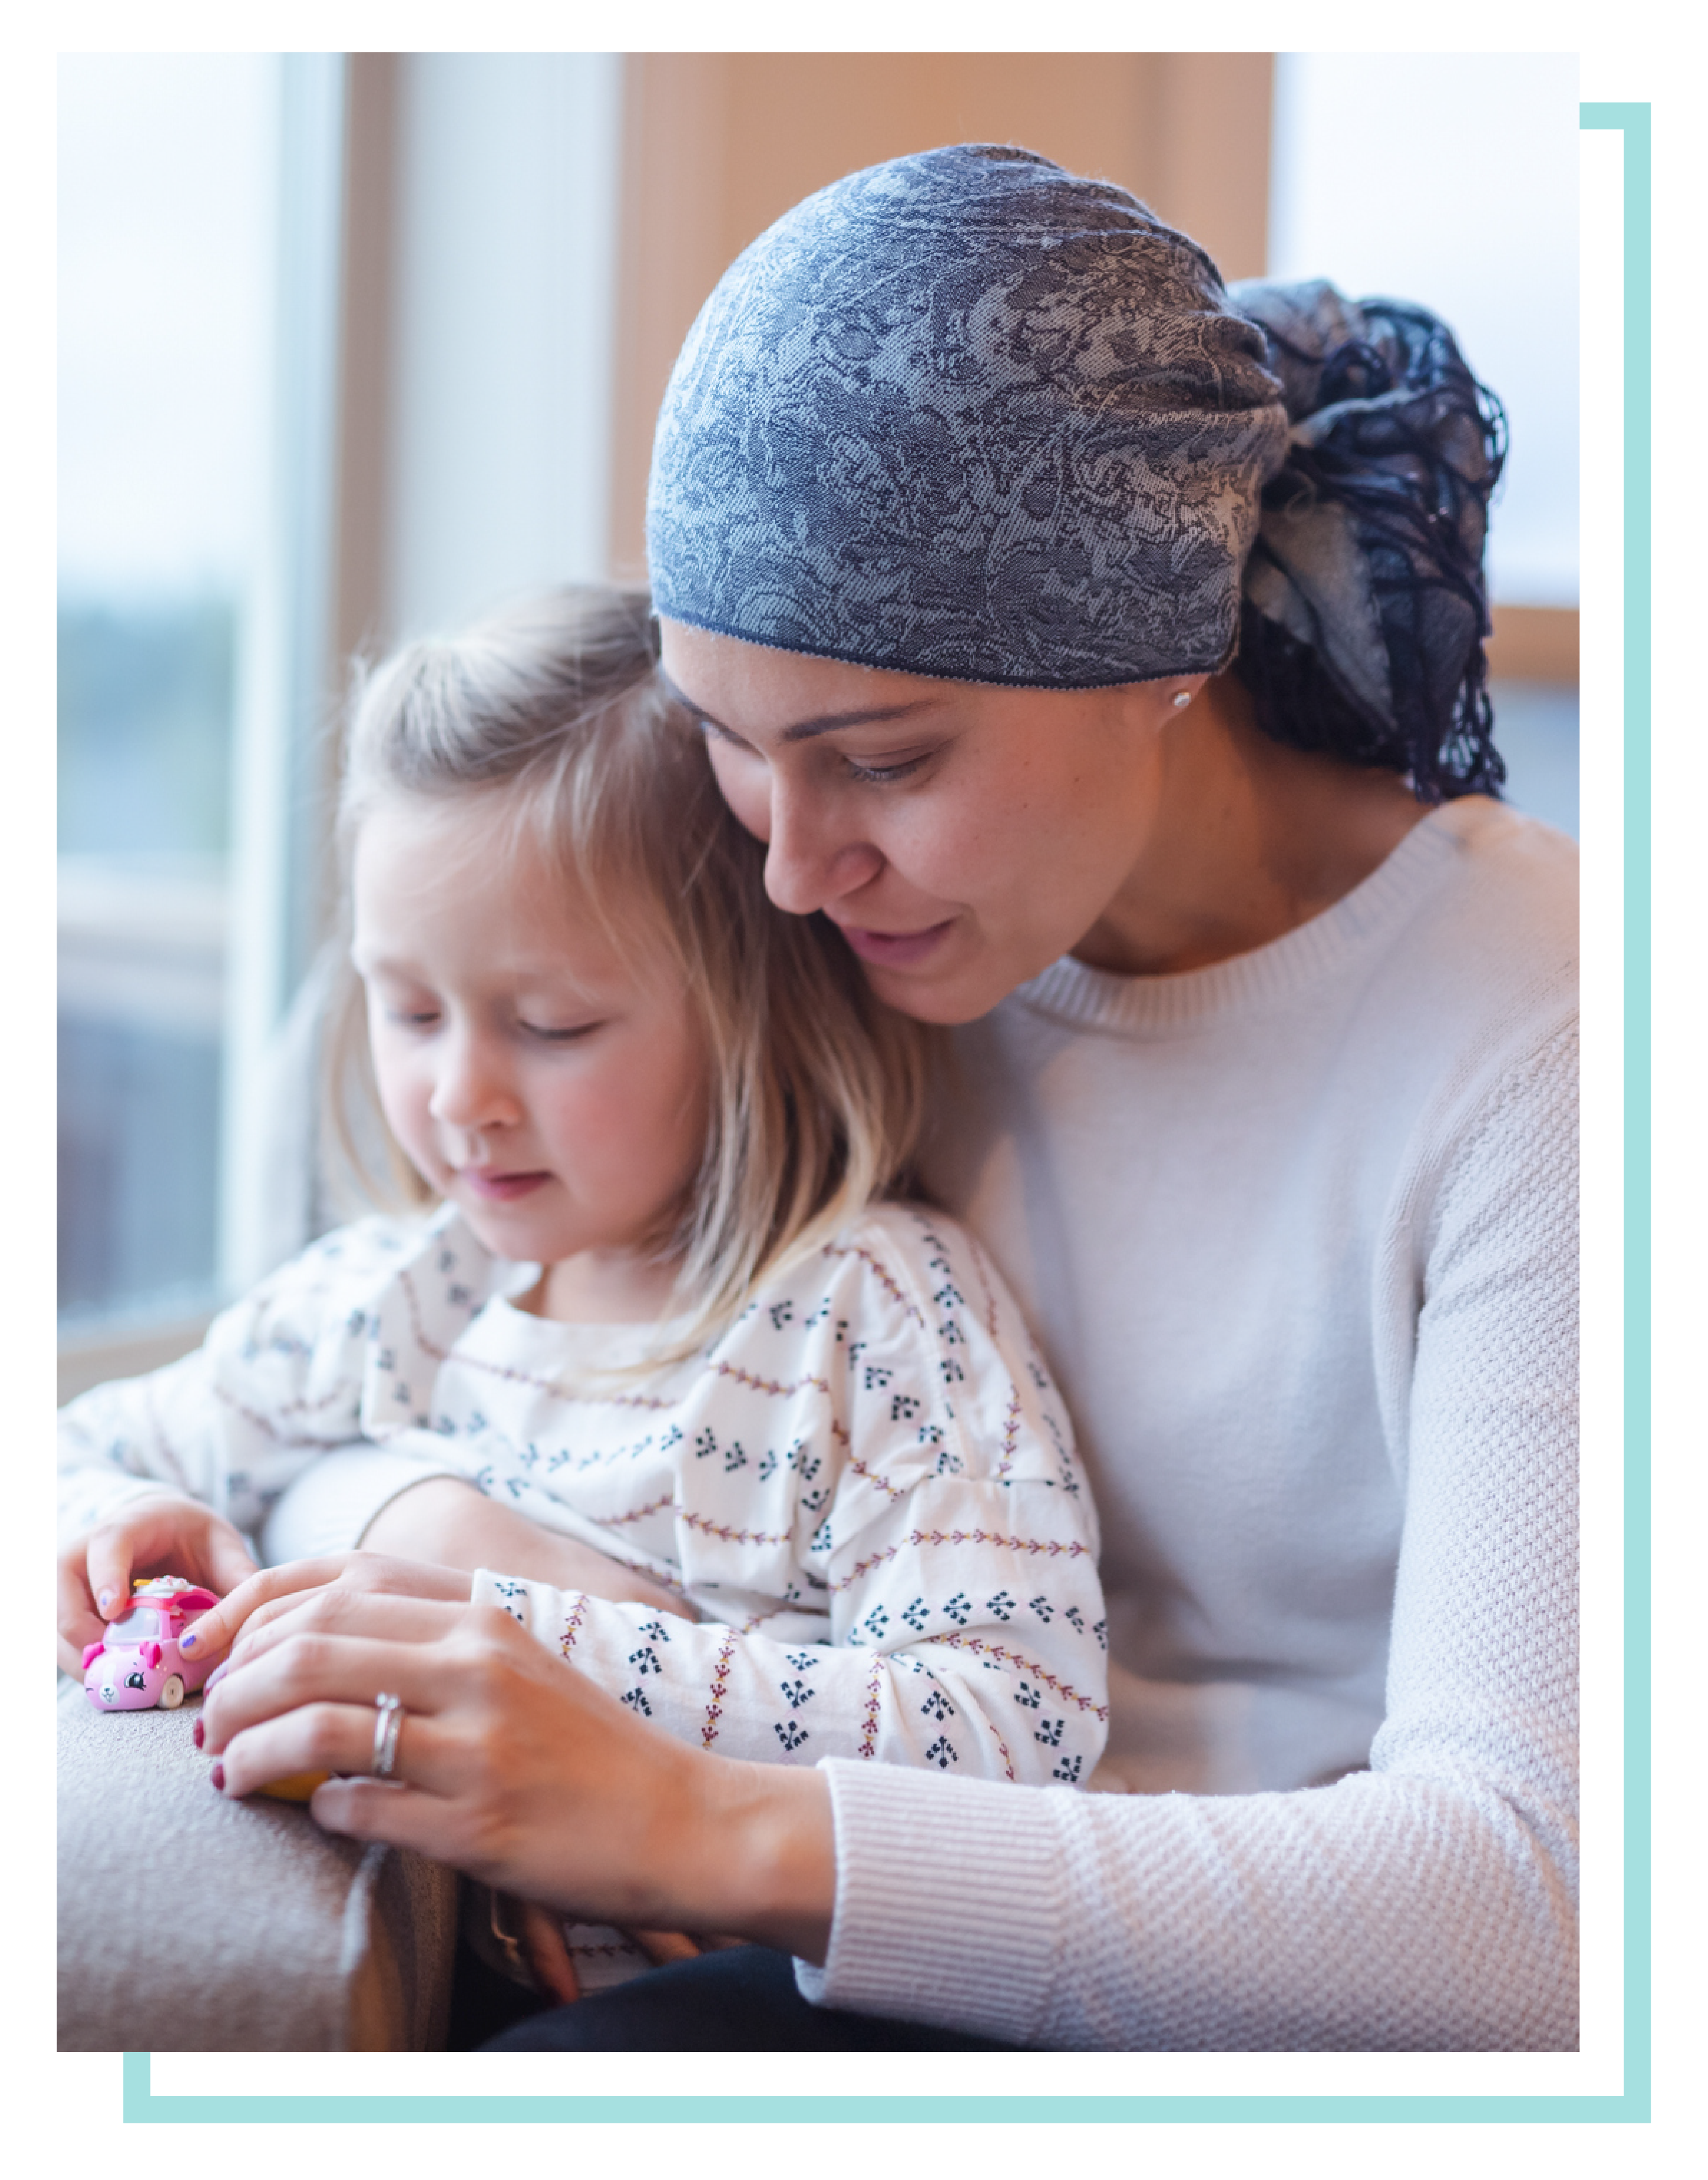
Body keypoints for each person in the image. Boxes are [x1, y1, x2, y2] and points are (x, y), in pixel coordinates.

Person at [191, 145, 1580, 2052]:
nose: (787, 869)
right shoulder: (870, 951)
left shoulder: (1561, 1043)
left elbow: (1535, 1906)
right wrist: (435, 1534)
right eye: (733, 750)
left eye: (882, 759)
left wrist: (710, 1827)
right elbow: (458, 1353)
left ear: (1161, 652)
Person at [55, 583, 1108, 2011]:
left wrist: (506, 1639)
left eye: (551, 1026)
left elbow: (1020, 1726)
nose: (460, 1097)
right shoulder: (390, 1303)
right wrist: (111, 1527)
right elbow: (70, 1452)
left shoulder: (871, 1318)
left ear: (750, 1010)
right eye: (408, 1010)